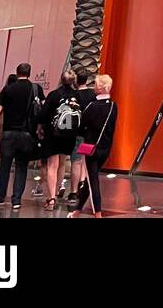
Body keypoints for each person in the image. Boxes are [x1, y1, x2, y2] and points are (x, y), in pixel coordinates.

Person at [0, 63, 43, 209]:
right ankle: (16, 200)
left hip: (8, 133)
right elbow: (41, 108)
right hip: (27, 134)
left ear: (17, 73)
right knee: (21, 167)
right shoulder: (36, 89)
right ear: (29, 73)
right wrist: (40, 129)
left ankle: (0, 197)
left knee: (5, 165)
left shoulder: (8, 89)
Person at [70, 74, 118, 218]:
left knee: (93, 182)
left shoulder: (92, 106)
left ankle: (98, 214)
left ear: (99, 87)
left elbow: (82, 126)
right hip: (106, 148)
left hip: (91, 148)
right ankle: (77, 212)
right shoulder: (113, 106)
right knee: (91, 178)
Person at [39, 70, 80, 209]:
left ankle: (51, 199)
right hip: (69, 135)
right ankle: (55, 193)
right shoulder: (77, 96)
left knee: (52, 165)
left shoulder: (54, 95)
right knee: (62, 163)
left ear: (61, 80)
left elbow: (43, 114)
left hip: (54, 134)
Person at [66, 69, 97, 210]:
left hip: (77, 132)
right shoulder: (92, 95)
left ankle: (73, 192)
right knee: (85, 161)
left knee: (76, 161)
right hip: (89, 133)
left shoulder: (74, 95)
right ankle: (83, 183)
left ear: (77, 80)